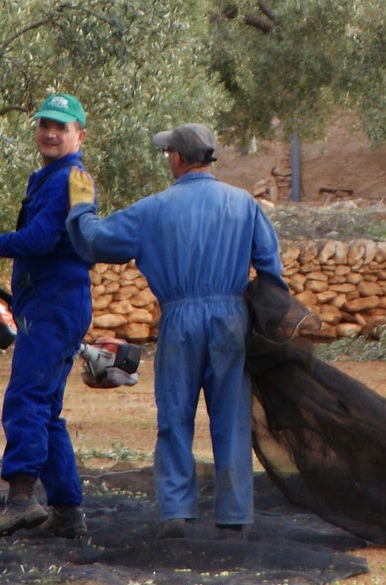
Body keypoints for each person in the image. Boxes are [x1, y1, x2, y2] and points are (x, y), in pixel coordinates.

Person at [66, 124, 283, 540]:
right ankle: (235, 517)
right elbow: (272, 271)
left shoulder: (154, 209)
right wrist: (261, 320)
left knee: (175, 416)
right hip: (231, 318)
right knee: (231, 419)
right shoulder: (244, 204)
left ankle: (176, 514)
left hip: (180, 318)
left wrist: (81, 206)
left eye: (168, 154)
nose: (167, 159)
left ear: (179, 159)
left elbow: (94, 241)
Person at [0, 93, 94, 539]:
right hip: (52, 302)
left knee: (25, 398)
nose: (51, 133)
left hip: (55, 303)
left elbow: (40, 240)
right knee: (47, 410)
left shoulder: (67, 179)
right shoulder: (57, 178)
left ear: (80, 135)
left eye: (62, 127)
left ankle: (20, 499)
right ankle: (67, 510)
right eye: (45, 125)